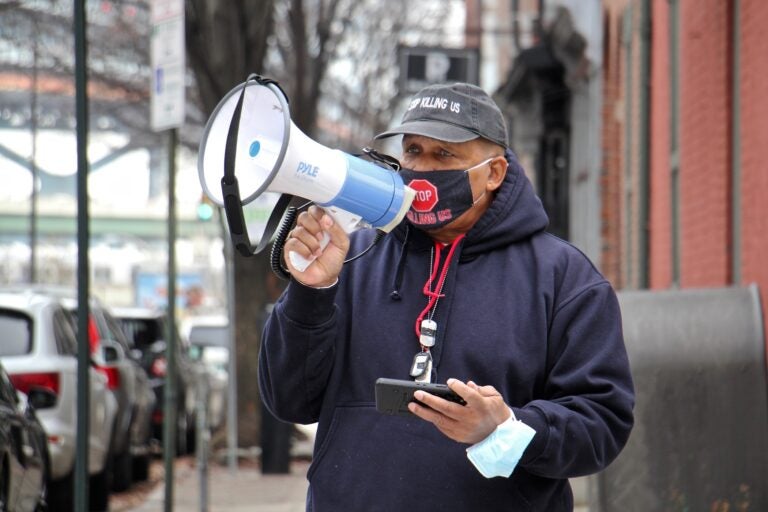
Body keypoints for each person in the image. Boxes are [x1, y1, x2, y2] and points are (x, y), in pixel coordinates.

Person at [258, 82, 634, 511]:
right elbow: (288, 400)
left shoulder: (563, 279)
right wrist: (311, 293)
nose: (423, 170)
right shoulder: (351, 259)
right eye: (414, 151)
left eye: (444, 154)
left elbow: (602, 423)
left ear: (494, 173)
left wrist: (508, 428)